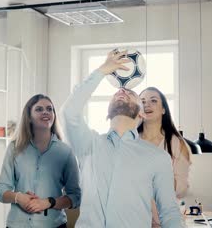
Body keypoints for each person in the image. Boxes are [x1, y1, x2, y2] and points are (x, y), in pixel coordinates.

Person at [60, 50, 183, 228]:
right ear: (107, 110)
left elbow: (169, 212)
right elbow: (69, 111)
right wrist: (102, 71)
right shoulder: (89, 144)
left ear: (142, 113)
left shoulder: (158, 158)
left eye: (131, 94)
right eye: (117, 93)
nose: (122, 92)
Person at [0, 94, 81, 228]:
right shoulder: (14, 148)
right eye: (39, 109)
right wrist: (19, 197)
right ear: (29, 117)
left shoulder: (65, 152)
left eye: (49, 109)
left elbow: (75, 197)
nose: (45, 112)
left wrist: (49, 202)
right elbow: (0, 189)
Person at [138, 87, 191, 228]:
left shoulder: (177, 143)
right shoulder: (130, 141)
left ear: (163, 109)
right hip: (135, 219)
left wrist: (158, 178)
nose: (146, 104)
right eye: (142, 101)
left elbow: (182, 189)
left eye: (153, 100)